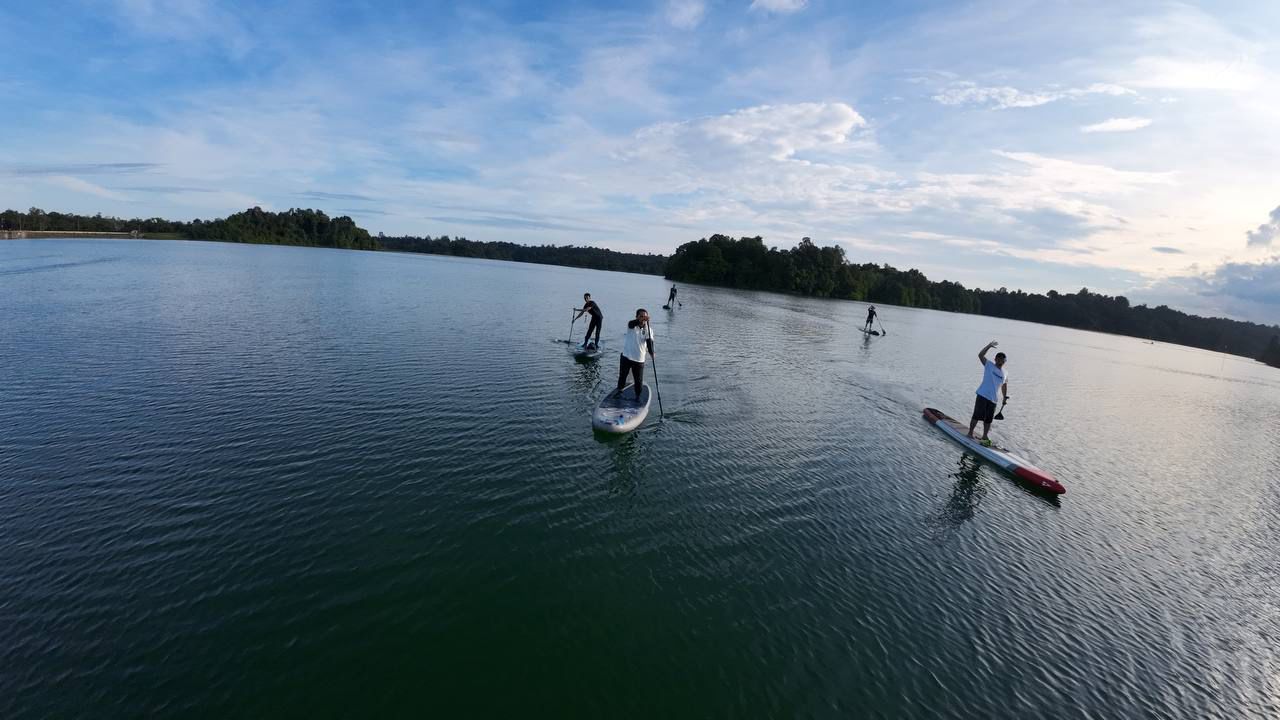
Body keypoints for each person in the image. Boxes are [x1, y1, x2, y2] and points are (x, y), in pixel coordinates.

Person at [967, 340, 1008, 446]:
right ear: (995, 359)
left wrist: (1004, 397)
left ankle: (984, 436)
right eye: (999, 359)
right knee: (976, 415)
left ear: (1004, 361)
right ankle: (970, 433)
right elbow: (980, 355)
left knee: (988, 420)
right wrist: (989, 346)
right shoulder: (989, 365)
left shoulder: (1005, 373)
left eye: (1002, 360)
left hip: (993, 399)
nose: (1000, 361)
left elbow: (1004, 385)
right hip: (983, 395)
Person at [616, 308, 654, 402]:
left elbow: (649, 342)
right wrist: (640, 320)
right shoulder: (631, 326)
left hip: (639, 359)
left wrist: (652, 353)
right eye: (641, 316)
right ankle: (619, 391)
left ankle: (637, 397)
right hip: (626, 356)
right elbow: (632, 323)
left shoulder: (649, 329)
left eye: (645, 316)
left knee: (638, 381)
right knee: (622, 376)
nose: (643, 318)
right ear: (636, 317)